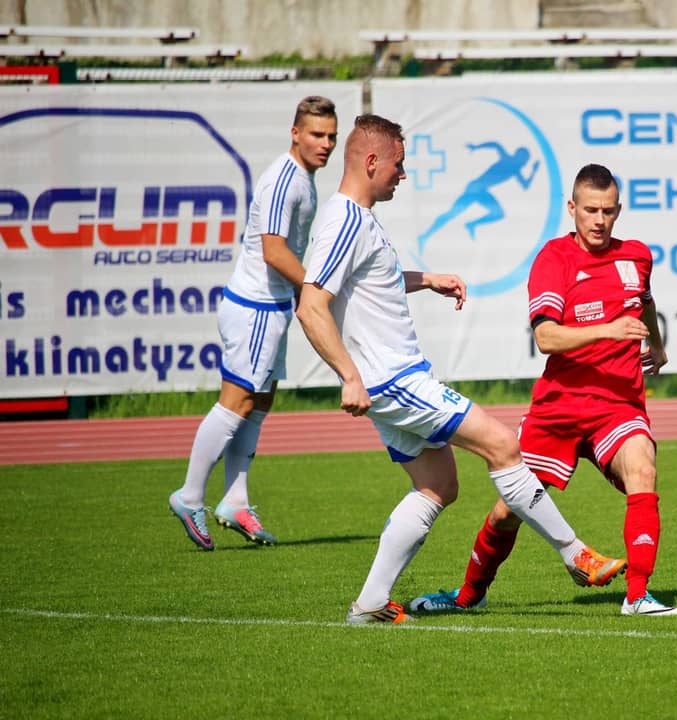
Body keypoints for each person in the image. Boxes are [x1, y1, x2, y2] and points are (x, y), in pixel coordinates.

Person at [295, 115, 626, 625]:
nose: (403, 174)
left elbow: (372, 281)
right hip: (394, 379)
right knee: (503, 444)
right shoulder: (344, 220)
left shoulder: (359, 219)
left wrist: (427, 280)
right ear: (372, 162)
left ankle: (370, 604)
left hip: (390, 379)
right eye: (398, 164)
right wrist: (349, 375)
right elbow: (311, 305)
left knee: (437, 486)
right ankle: (576, 554)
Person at [410, 163, 677, 617]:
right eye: (591, 210)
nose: (599, 220)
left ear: (619, 211)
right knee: (507, 512)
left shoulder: (637, 256)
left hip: (618, 404)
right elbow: (546, 337)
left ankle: (637, 596)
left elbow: (645, 300)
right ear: (572, 208)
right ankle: (468, 596)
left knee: (643, 470)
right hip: (560, 408)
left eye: (608, 211)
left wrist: (656, 344)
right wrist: (609, 329)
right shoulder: (554, 259)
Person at [168, 96, 339, 551]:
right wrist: (315, 288)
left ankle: (235, 501)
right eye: (317, 134)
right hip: (255, 308)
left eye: (331, 136)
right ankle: (190, 495)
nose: (325, 144)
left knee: (258, 402)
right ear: (295, 133)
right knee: (237, 402)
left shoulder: (303, 178)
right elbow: (274, 251)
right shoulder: (286, 181)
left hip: (271, 307)